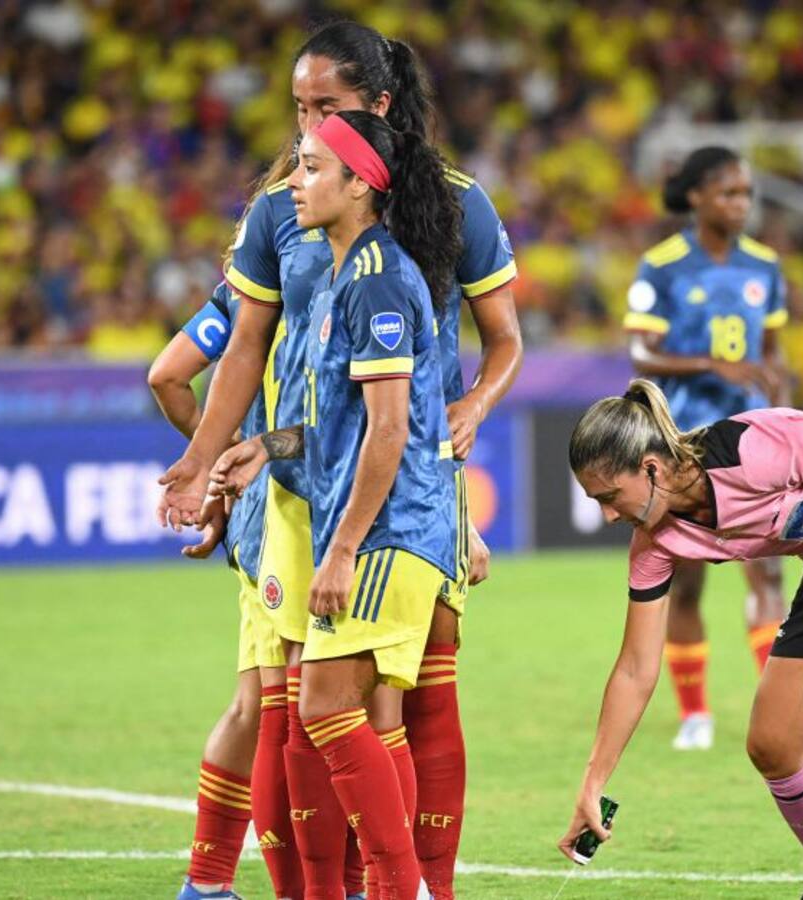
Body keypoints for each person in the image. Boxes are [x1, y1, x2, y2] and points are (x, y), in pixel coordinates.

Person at [157, 21, 522, 900]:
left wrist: (471, 410)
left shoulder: (448, 208)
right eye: (299, 108)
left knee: (401, 696)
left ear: (379, 105)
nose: (305, 129)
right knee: (295, 702)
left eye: (327, 107)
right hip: (301, 479)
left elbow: (500, 343)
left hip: (401, 483)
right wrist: (214, 461)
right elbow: (244, 349)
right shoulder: (283, 207)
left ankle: (406, 886)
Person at [558, 377, 803, 900]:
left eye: (610, 497)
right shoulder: (654, 543)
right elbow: (635, 668)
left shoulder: (753, 450)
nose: (608, 515)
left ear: (650, 468)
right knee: (773, 742)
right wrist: (593, 783)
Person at [211, 109, 460, 900]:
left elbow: (389, 430)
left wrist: (344, 549)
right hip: (367, 526)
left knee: (322, 707)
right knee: (333, 711)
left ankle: (399, 887)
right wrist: (268, 445)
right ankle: (398, 887)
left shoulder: (378, 280)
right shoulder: (337, 280)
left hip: (391, 531)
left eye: (313, 167)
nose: (294, 181)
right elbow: (336, 423)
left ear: (361, 185)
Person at [624, 145, 790, 750]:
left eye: (745, 193)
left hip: (752, 443)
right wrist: (711, 364)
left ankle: (777, 706)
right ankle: (695, 713)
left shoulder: (764, 266)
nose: (740, 204)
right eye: (728, 193)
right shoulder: (663, 265)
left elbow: (772, 356)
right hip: (686, 447)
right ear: (696, 197)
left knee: (768, 573)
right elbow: (640, 351)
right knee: (688, 583)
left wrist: (782, 403)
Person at [148, 282, 289, 900]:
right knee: (312, 712)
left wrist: (225, 460)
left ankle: (206, 883)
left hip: (257, 518)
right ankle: (333, 884)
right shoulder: (329, 274)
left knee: (254, 707)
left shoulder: (239, 290)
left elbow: (167, 376)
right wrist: (244, 459)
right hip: (304, 512)